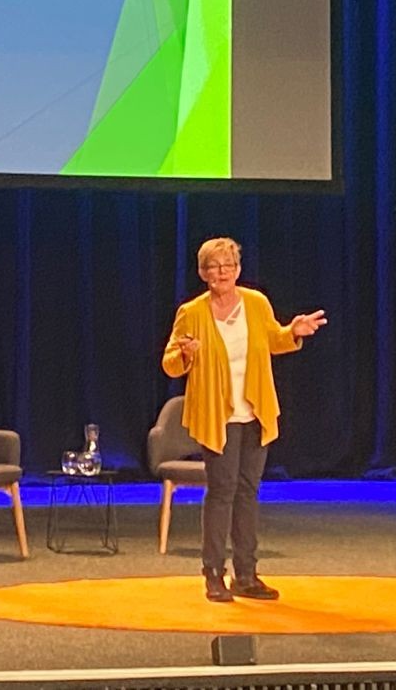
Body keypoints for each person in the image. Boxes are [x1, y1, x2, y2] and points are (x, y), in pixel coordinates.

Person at [161, 237, 327, 603]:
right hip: (217, 415)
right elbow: (170, 363)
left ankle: (247, 575)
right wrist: (186, 354)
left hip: (254, 410)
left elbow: (273, 340)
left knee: (248, 491)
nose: (222, 272)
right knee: (222, 491)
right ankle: (213, 573)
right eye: (214, 267)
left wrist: (292, 332)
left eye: (228, 266)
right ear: (203, 272)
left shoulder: (256, 303)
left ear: (238, 270)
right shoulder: (192, 312)